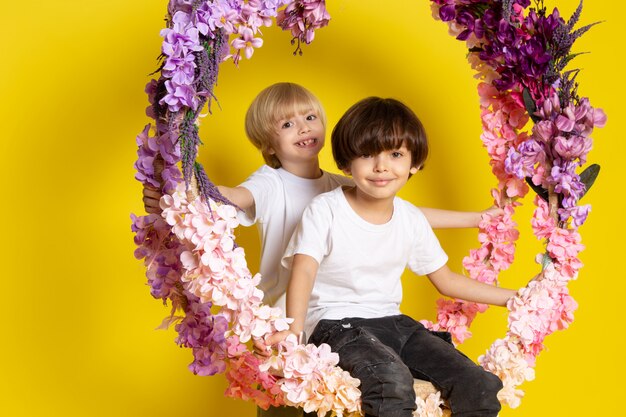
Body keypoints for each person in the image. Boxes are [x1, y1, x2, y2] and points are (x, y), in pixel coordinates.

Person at [142, 84, 500, 417]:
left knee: (466, 380)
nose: (302, 128)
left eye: (310, 118)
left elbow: (402, 212)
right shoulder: (270, 183)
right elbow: (231, 197)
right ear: (268, 143)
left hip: (348, 313)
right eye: (287, 123)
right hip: (295, 313)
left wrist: (477, 219)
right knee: (325, 393)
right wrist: (179, 190)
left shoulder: (342, 184)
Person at [268, 97, 517, 417]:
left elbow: (447, 280)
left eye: (395, 154)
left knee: (478, 383)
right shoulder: (326, 209)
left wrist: (517, 298)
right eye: (367, 154)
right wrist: (294, 329)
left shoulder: (410, 218)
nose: (381, 166)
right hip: (336, 325)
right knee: (391, 382)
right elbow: (304, 270)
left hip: (394, 325)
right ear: (346, 163)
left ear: (413, 163)